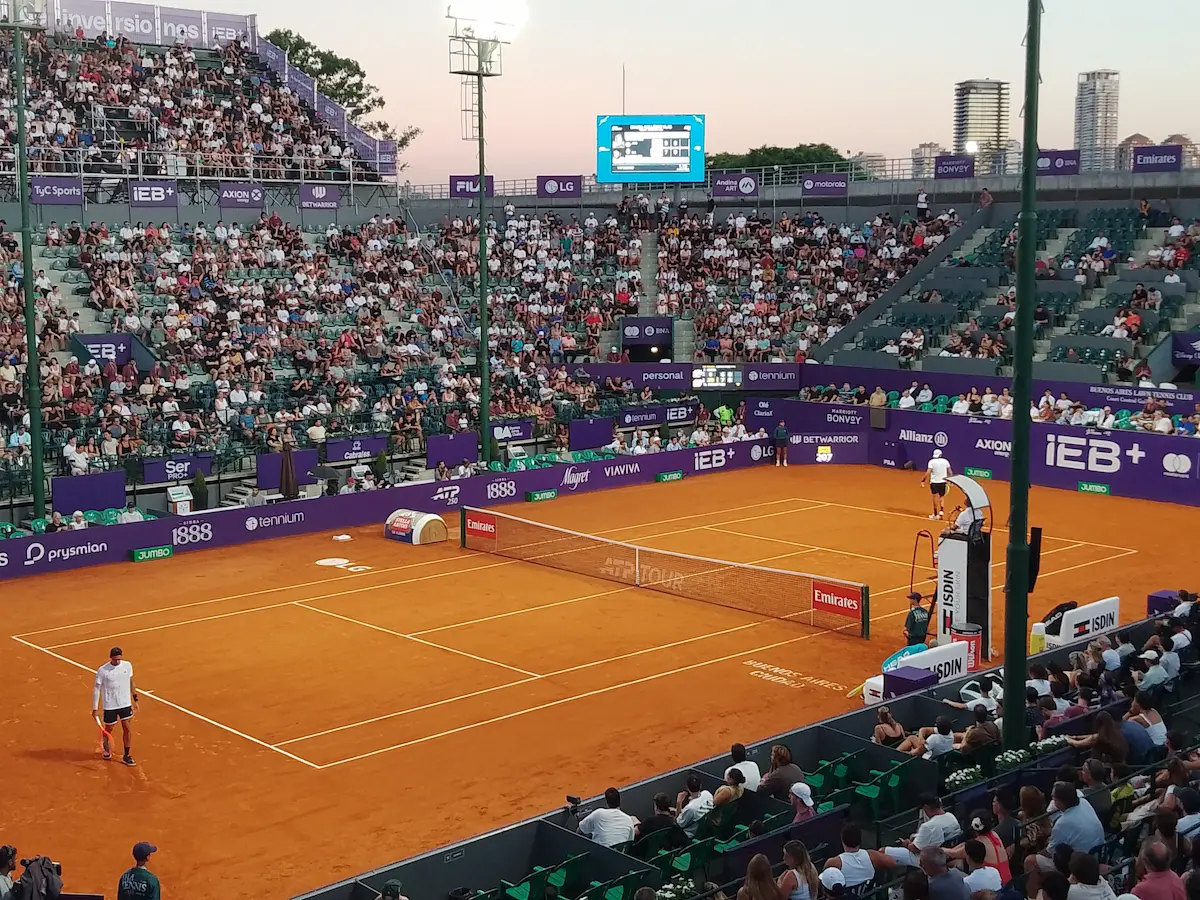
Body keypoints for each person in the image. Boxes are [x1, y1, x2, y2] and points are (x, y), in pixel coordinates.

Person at [93, 646, 137, 766]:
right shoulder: (103, 670)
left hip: (125, 703)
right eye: (115, 659)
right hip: (110, 705)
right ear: (111, 658)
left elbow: (131, 681)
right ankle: (107, 749)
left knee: (127, 728)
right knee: (109, 729)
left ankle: (127, 755)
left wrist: (135, 697)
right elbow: (96, 689)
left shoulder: (127, 666)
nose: (117, 661)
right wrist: (95, 708)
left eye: (119, 659)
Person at [920, 449, 953, 519]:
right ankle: (941, 511)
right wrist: (951, 480)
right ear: (941, 455)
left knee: (935, 498)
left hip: (934, 483)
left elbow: (928, 472)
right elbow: (950, 471)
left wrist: (923, 480)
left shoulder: (931, 462)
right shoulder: (945, 461)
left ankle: (935, 514)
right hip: (943, 482)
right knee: (942, 497)